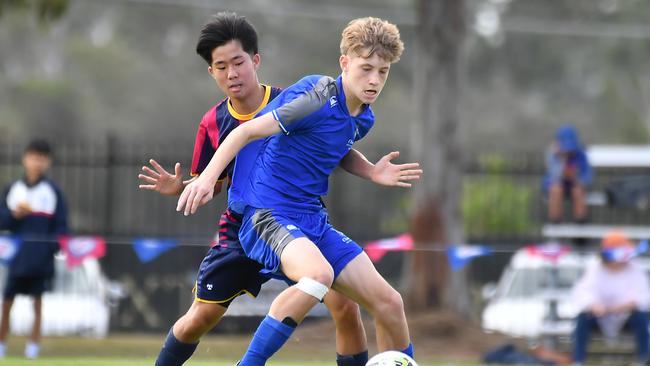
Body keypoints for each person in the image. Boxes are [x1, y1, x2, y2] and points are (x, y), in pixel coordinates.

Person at [139, 13, 419, 366]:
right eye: (366, 68)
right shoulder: (315, 96)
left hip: (310, 220)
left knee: (389, 302)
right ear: (344, 63)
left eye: (383, 71)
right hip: (265, 216)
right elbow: (244, 133)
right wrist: (206, 179)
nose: (374, 79)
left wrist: (372, 171)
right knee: (310, 279)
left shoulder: (364, 117)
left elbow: (335, 148)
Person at [0, 139, 68, 359]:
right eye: (33, 157)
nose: (37, 162)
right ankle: (2, 345)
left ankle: (33, 349)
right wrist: (13, 215)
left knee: (37, 303)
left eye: (42, 158)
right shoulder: (13, 189)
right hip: (17, 258)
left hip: (41, 259)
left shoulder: (53, 192)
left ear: (48, 161)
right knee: (7, 302)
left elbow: (61, 226)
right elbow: (3, 220)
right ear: (25, 158)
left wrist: (51, 249)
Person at [571, 230, 650, 366]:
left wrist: (626, 306)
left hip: (626, 316)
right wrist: (594, 305)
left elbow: (644, 296)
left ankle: (643, 360)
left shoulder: (634, 268)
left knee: (641, 318)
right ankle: (578, 361)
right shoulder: (594, 268)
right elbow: (582, 293)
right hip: (601, 316)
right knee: (582, 319)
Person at [542, 124, 593, 223]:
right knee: (556, 190)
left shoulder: (581, 155)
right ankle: (555, 221)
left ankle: (580, 222)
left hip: (575, 187)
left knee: (577, 191)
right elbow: (551, 178)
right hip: (559, 187)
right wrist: (561, 161)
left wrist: (575, 177)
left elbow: (587, 177)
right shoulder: (554, 156)